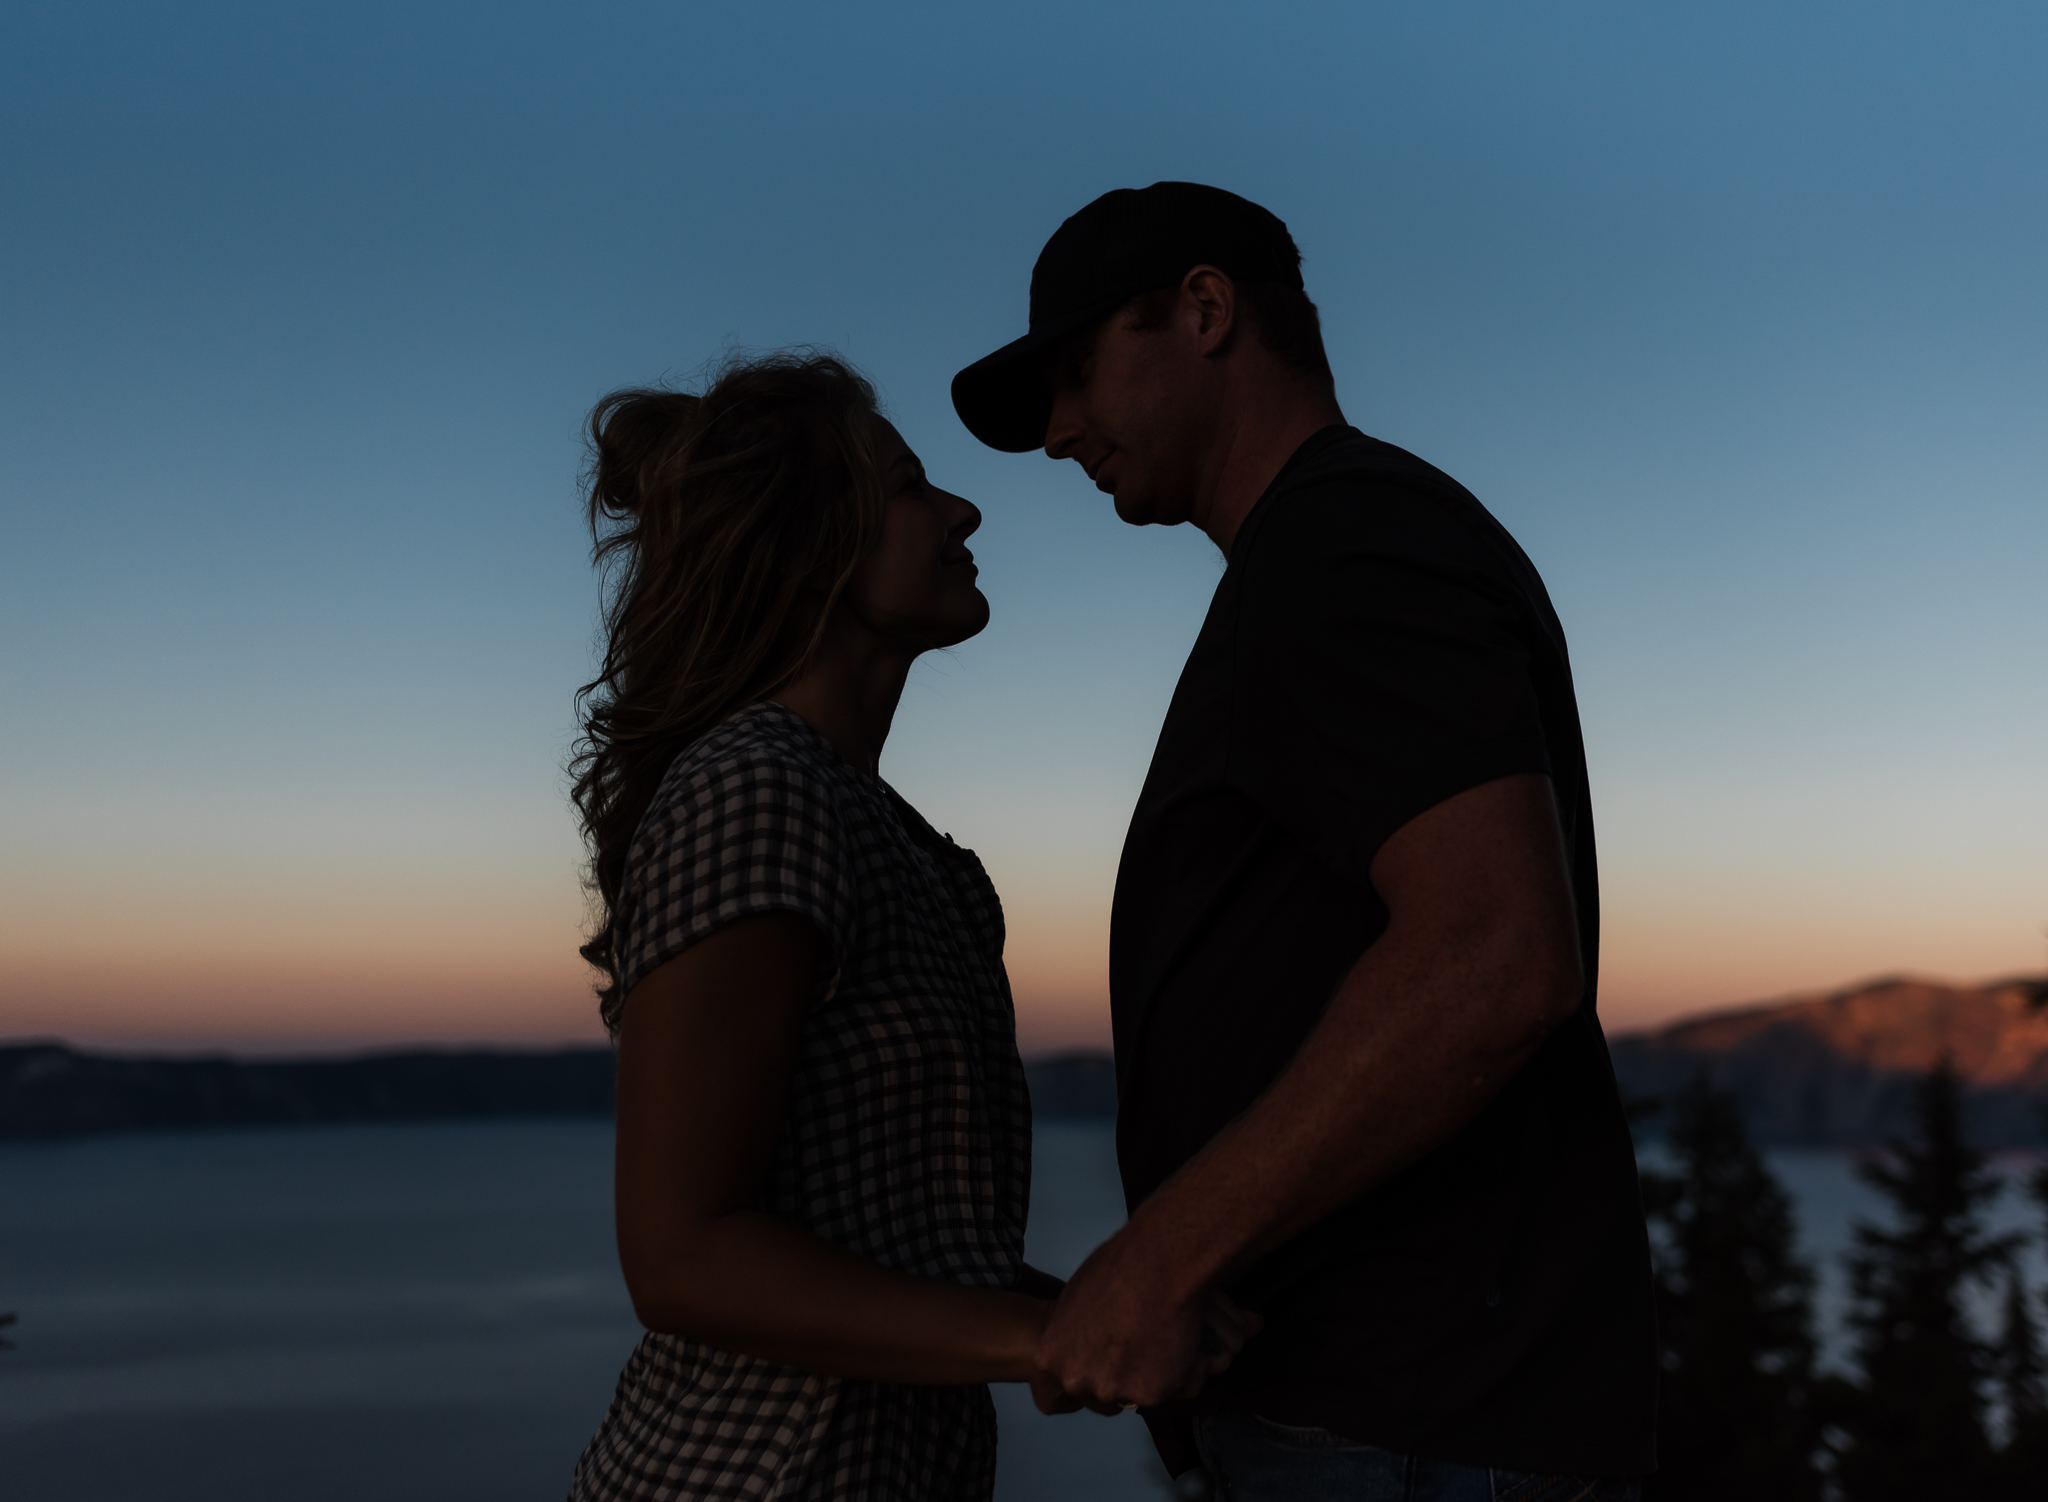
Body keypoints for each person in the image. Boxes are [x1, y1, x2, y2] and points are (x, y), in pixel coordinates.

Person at [952, 183, 1658, 1499]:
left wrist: (1159, 1257)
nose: (1055, 432)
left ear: (1206, 312)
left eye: (1074, 373)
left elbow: (1500, 953)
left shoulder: (1349, 546)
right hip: (1386, 1412)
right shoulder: (1322, 553)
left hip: (1414, 1421)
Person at [563, 352, 1254, 1502]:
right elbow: (683, 1255)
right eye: (908, 485)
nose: (964, 507)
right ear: (808, 540)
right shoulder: (753, 785)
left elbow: (911, 1252)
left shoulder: (888, 833)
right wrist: (1043, 1341)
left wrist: (1110, 1307)